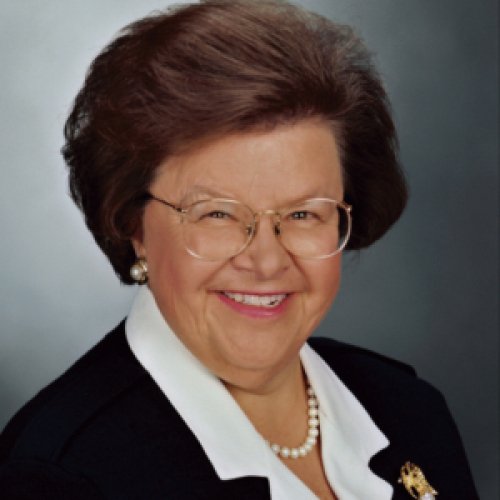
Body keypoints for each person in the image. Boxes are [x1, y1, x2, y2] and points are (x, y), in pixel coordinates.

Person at [0, 1, 478, 498]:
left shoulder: (410, 410)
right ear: (132, 225)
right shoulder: (59, 475)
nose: (267, 261)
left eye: (303, 214)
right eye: (217, 215)